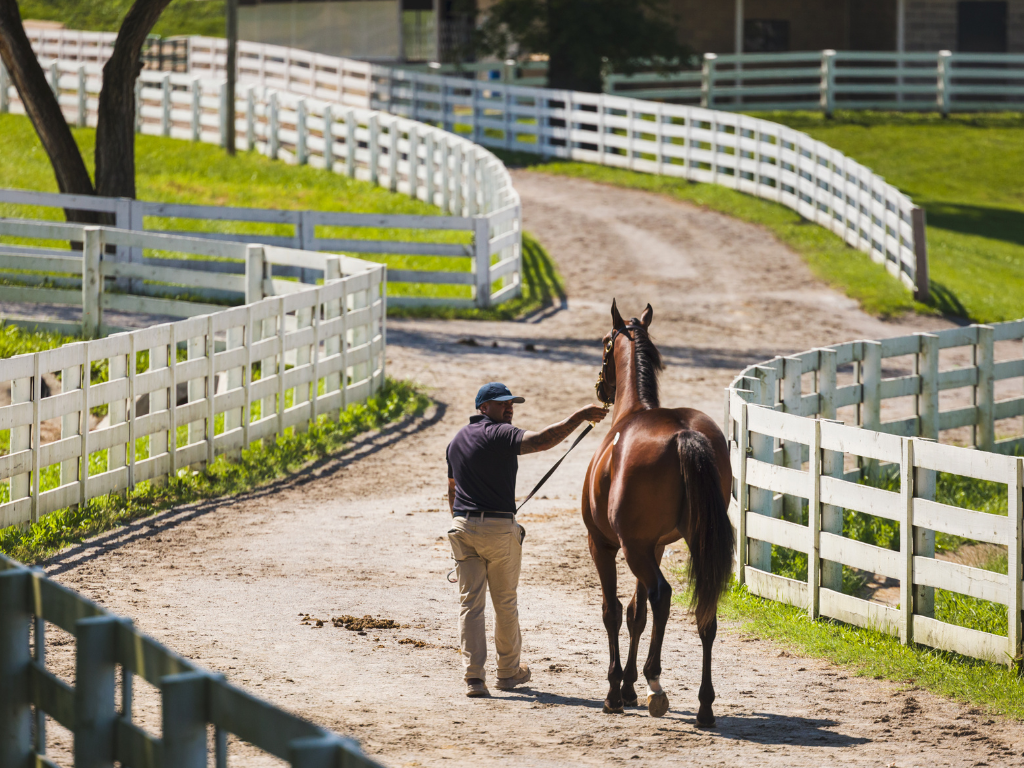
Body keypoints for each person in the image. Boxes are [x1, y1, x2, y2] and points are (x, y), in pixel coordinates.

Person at [446, 382, 608, 697]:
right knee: (504, 603)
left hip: (462, 527)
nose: (509, 407)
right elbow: (541, 441)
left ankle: (474, 678)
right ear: (484, 408)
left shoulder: (456, 441)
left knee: (470, 604)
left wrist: (461, 521)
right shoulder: (498, 433)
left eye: (511, 403)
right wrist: (580, 417)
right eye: (501, 403)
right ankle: (507, 673)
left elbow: (452, 489)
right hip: (498, 529)